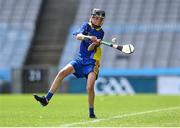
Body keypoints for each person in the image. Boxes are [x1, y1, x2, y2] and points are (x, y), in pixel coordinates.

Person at [33, 8, 105, 118]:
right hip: (80, 59)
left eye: (101, 19)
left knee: (89, 87)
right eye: (97, 18)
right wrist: (90, 37)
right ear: (92, 17)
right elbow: (78, 36)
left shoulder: (101, 32)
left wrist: (95, 43)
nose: (99, 21)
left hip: (92, 61)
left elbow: (90, 49)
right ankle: (46, 99)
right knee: (62, 72)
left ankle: (91, 112)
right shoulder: (86, 26)